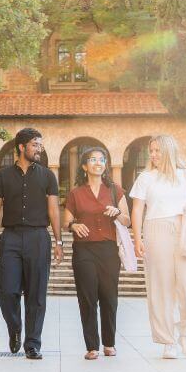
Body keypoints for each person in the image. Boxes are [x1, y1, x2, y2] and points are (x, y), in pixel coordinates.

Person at [130, 134, 186, 359]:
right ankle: (168, 340)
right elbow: (137, 209)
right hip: (156, 231)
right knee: (161, 287)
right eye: (151, 151)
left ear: (169, 151)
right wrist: (137, 239)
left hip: (185, 230)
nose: (153, 155)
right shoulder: (145, 178)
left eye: (157, 150)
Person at [0, 128, 64, 360]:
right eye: (35, 145)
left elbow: (54, 209)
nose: (39, 149)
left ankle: (32, 344)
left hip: (38, 237)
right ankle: (15, 327)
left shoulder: (48, 176)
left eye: (40, 145)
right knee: (6, 290)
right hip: (10, 237)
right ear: (21, 147)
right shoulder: (2, 176)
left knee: (36, 294)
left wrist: (58, 241)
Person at [63, 147, 131, 360]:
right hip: (83, 250)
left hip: (109, 250)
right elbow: (66, 221)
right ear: (84, 166)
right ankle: (92, 346)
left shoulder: (115, 190)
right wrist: (74, 225)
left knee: (109, 297)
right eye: (93, 160)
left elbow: (127, 220)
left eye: (102, 160)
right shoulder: (75, 194)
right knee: (87, 297)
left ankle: (109, 343)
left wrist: (117, 212)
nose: (98, 163)